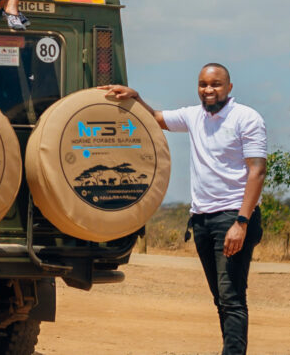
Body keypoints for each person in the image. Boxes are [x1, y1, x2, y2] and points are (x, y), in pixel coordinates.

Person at [101, 63, 267, 355]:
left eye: (215, 84)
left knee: (231, 298)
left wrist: (241, 222)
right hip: (202, 220)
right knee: (221, 299)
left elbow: (257, 171)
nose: (208, 90)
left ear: (229, 87)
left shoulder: (246, 118)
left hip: (233, 217)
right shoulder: (194, 116)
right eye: (203, 84)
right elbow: (156, 118)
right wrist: (135, 97)